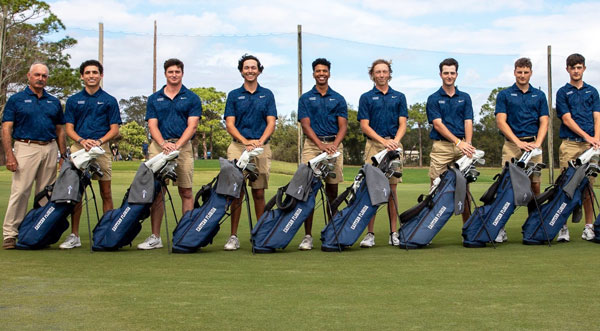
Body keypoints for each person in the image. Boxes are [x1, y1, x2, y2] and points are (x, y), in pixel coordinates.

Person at [138, 58, 202, 249]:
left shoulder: (191, 98)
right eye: (170, 72)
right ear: (165, 74)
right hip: (159, 147)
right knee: (158, 193)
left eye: (177, 72)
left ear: (182, 73)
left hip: (183, 147)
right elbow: (152, 125)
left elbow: (192, 126)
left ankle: (185, 235)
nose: (174, 75)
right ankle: (155, 237)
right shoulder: (154, 98)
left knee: (186, 191)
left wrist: (177, 145)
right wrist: (163, 144)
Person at [58, 60, 122, 249]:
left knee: (106, 192)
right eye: (88, 72)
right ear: (82, 76)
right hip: (80, 149)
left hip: (101, 149)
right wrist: (82, 141)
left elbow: (115, 129)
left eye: (95, 72)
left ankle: (106, 233)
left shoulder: (109, 100)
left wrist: (99, 141)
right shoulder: (73, 100)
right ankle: (74, 235)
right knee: (76, 193)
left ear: (101, 75)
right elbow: (68, 127)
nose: (91, 75)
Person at [1, 63, 66, 249]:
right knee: (21, 192)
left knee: (46, 194)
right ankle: (10, 234)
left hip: (50, 148)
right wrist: (9, 155)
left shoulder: (53, 101)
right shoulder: (16, 99)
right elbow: (6, 128)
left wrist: (63, 154)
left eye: (44, 76)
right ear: (29, 76)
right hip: (25, 147)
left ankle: (39, 232)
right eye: (37, 75)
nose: (40, 78)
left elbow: (60, 130)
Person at [223, 54, 276, 251]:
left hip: (261, 146)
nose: (250, 70)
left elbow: (271, 122)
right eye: (246, 68)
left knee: (259, 192)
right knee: (236, 193)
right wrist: (246, 142)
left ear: (259, 70)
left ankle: (260, 235)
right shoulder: (234, 95)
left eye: (254, 67)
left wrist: (259, 142)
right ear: (241, 71)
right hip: (238, 146)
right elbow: (230, 123)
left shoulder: (267, 94)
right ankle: (233, 236)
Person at [494, 57, 549, 243]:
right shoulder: (505, 94)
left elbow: (544, 121)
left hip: (534, 146)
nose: (522, 75)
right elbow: (501, 121)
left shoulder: (539, 96)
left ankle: (533, 225)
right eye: (519, 72)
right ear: (514, 72)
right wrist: (518, 142)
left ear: (531, 73)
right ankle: (500, 227)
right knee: (506, 185)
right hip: (512, 145)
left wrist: (537, 144)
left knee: (535, 185)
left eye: (526, 72)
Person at [296, 58, 348, 250]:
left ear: (329, 73)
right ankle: (307, 236)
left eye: (324, 71)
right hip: (312, 145)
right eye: (318, 71)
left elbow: (343, 126)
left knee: (332, 190)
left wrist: (334, 145)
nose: (321, 74)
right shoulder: (305, 98)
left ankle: (331, 232)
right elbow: (305, 124)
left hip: (334, 145)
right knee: (308, 190)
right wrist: (320, 145)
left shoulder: (338, 98)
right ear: (313, 74)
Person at [357, 59, 407, 247]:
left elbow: (403, 123)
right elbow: (364, 125)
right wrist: (383, 141)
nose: (381, 75)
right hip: (374, 145)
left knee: (392, 190)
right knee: (371, 189)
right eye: (378, 72)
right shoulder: (366, 97)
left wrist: (394, 141)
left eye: (384, 71)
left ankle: (393, 232)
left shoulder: (399, 96)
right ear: (372, 75)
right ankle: (370, 234)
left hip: (393, 145)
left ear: (389, 73)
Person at [555, 53, 600, 242]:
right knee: (566, 186)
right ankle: (562, 227)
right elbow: (566, 119)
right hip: (570, 143)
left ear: (584, 69)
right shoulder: (562, 92)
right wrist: (587, 136)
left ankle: (588, 227)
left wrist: (596, 139)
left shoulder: (592, 91)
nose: (576, 71)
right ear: (567, 69)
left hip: (590, 146)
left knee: (588, 187)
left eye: (579, 67)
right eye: (572, 68)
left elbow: (597, 117)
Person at [426, 58, 476, 224]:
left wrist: (467, 143)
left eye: (452, 73)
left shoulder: (465, 97)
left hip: (463, 147)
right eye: (446, 73)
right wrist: (458, 142)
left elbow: (468, 121)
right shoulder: (433, 98)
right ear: (440, 74)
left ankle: (467, 228)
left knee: (464, 189)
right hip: (442, 147)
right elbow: (438, 125)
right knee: (435, 187)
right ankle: (425, 230)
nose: (449, 76)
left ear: (456, 74)